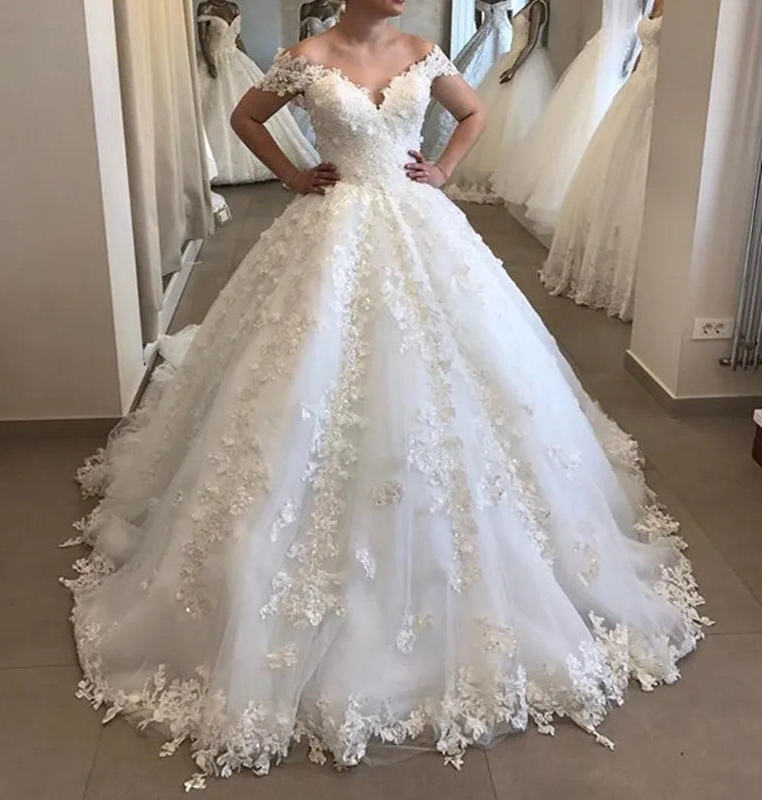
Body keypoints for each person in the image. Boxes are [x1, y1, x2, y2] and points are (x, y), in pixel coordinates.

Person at [64, 0, 705, 790]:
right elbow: (244, 116)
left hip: (416, 220)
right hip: (328, 232)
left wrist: (443, 170)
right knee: (298, 378)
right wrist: (293, 174)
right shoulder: (306, 56)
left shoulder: (423, 50)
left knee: (462, 377)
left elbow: (471, 113)